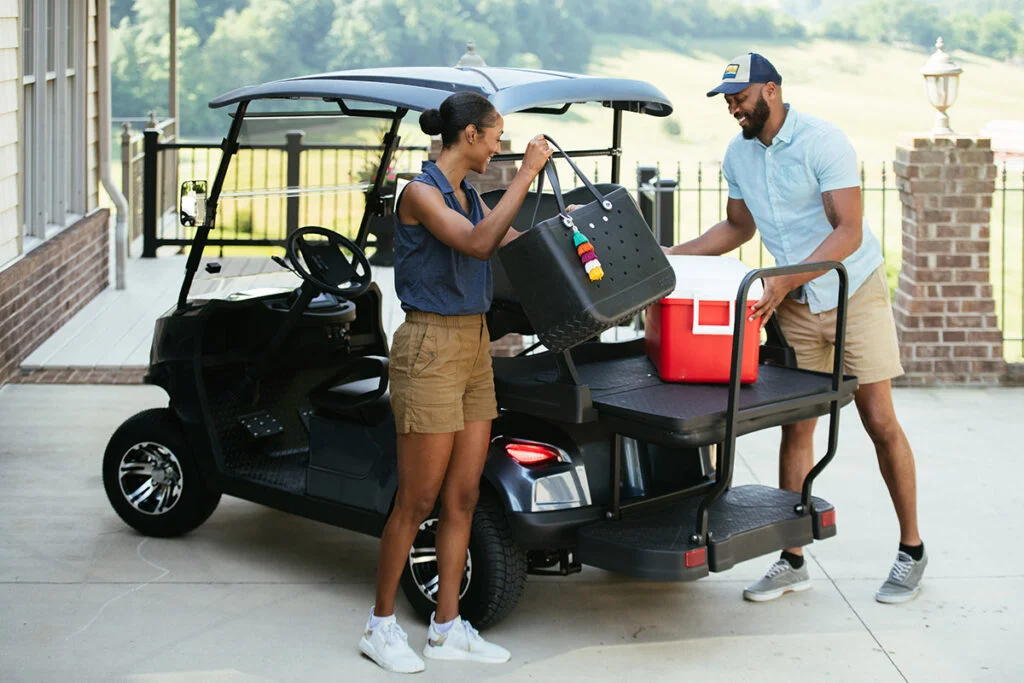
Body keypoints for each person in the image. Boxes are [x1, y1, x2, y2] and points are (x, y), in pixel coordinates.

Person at [666, 53, 926, 604]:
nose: (733, 107)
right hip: (796, 303)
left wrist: (783, 283)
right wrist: (671, 257)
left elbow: (848, 231)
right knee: (799, 427)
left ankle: (912, 549)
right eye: (727, 100)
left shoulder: (822, 142)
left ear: (772, 91)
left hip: (853, 293)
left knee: (879, 420)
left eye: (740, 97)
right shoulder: (739, 155)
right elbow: (738, 227)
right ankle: (792, 559)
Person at [357, 91, 553, 673]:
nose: (501, 144)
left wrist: (571, 240)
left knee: (462, 497)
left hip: (473, 345)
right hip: (429, 348)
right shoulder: (419, 193)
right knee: (416, 501)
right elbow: (477, 242)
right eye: (495, 133)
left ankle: (446, 626)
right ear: (468, 135)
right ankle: (381, 625)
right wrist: (526, 176)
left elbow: (510, 242)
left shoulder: (469, 194)